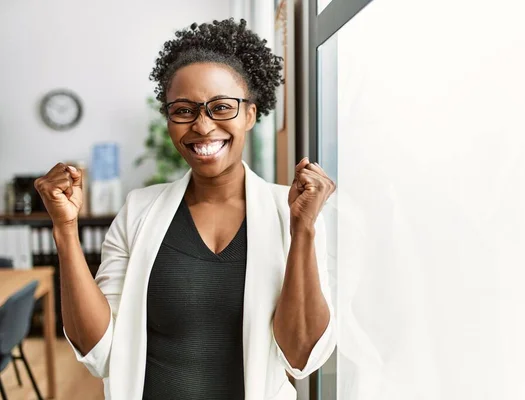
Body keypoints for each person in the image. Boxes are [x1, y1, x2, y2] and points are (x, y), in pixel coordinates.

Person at [34, 18, 336, 400]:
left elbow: (302, 356)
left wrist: (304, 230)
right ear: (169, 120)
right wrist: (65, 229)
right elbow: (98, 351)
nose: (203, 126)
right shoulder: (138, 210)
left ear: (249, 114)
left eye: (221, 108)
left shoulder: (292, 214)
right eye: (184, 110)